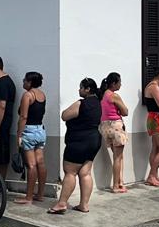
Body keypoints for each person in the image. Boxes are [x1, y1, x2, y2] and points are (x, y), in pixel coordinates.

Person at [49, 78, 102, 215]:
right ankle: (84, 205)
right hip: (94, 141)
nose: (79, 90)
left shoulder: (81, 104)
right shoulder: (98, 103)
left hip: (79, 141)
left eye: (81, 87)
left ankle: (61, 203)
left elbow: (65, 115)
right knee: (85, 173)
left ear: (87, 89)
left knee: (70, 172)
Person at [14, 72, 48, 205]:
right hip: (40, 130)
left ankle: (28, 197)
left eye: (25, 80)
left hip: (29, 131)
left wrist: (19, 134)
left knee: (31, 165)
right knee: (41, 163)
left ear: (30, 82)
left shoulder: (27, 95)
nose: (23, 82)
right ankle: (40, 194)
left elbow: (23, 117)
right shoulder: (42, 95)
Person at [98, 72, 130, 194]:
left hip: (105, 126)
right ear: (113, 83)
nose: (121, 85)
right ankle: (116, 185)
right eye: (119, 82)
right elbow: (125, 111)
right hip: (116, 126)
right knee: (118, 157)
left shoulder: (102, 95)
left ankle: (120, 182)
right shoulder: (114, 96)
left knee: (118, 156)